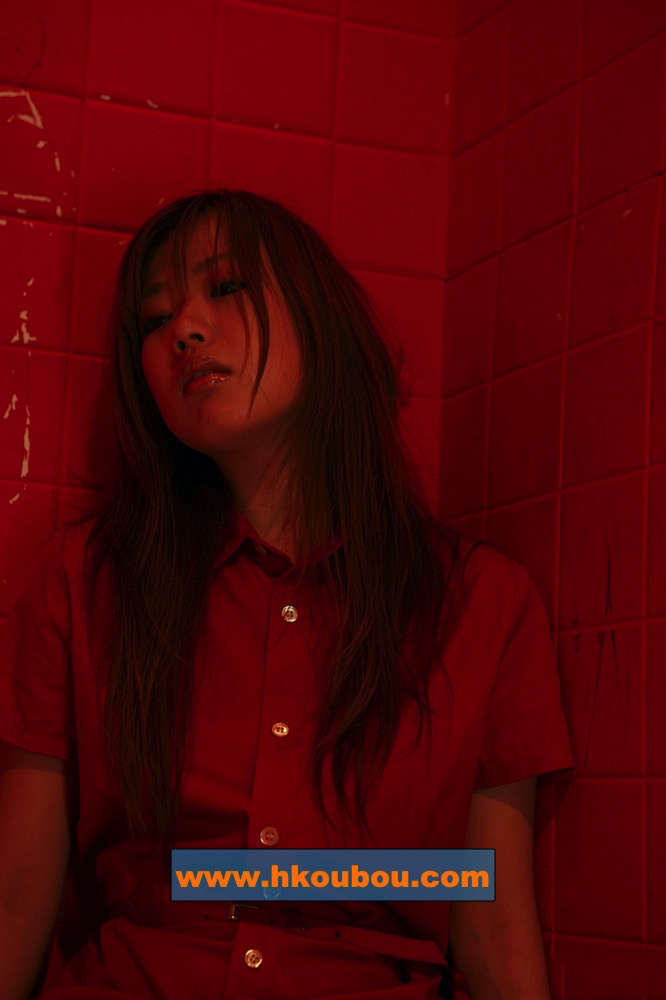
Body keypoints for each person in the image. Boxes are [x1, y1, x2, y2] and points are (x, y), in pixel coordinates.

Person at [0, 190, 574, 1000]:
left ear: (320, 314)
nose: (183, 330)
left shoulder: (481, 604)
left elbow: (489, 923)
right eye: (154, 320)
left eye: (227, 286)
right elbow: (18, 896)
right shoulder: (83, 581)